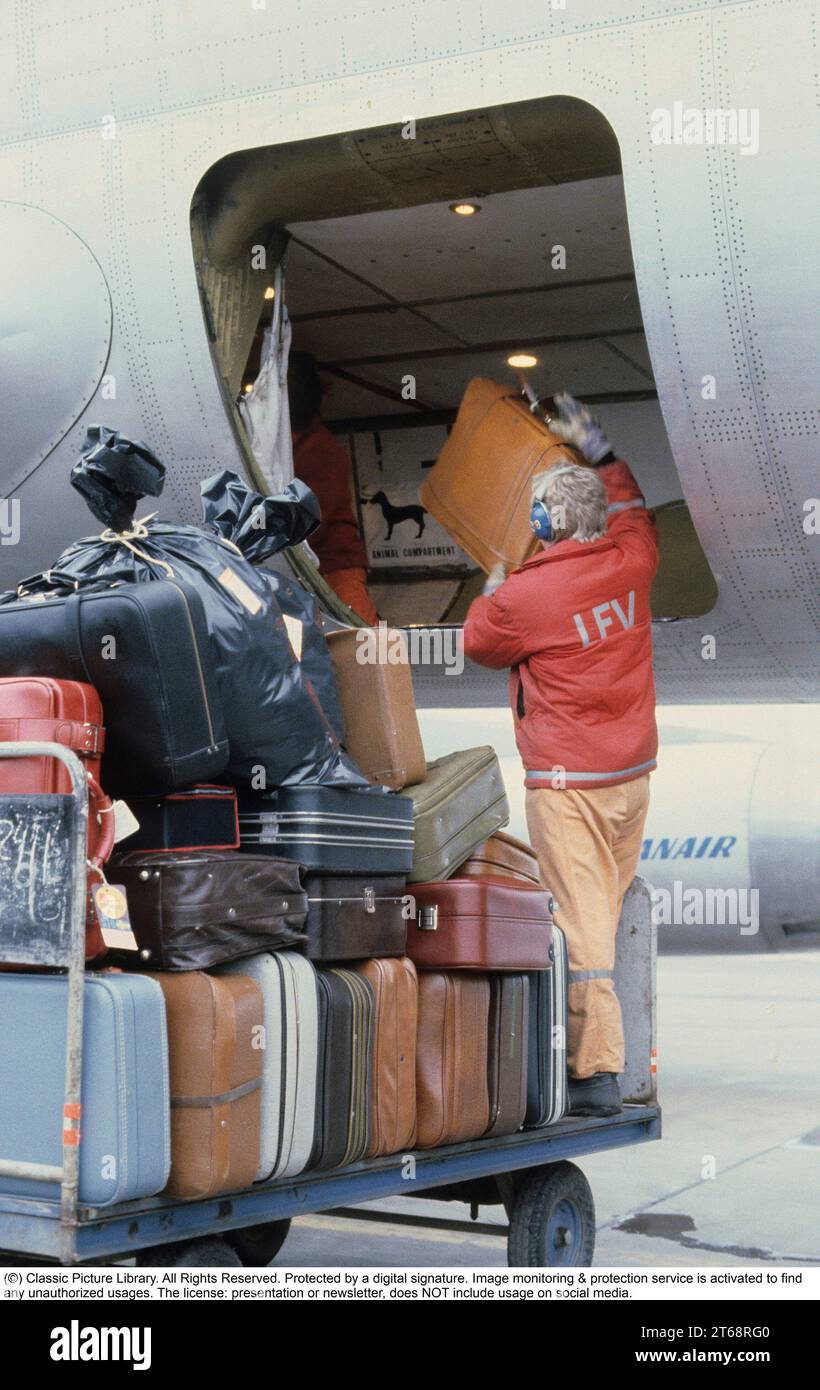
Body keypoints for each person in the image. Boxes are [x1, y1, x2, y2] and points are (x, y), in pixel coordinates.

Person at [462, 393, 659, 1118]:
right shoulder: (633, 559)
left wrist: (492, 578)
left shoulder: (526, 594)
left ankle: (598, 1073)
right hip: (631, 777)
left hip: (569, 784)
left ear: (546, 522)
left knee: (585, 932)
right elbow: (636, 510)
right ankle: (600, 1048)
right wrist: (600, 450)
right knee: (602, 911)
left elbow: (478, 641)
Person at [288, 351, 378, 624]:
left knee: (362, 647)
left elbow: (315, 518)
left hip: (333, 568)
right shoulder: (291, 447)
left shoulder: (321, 449)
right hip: (311, 569)